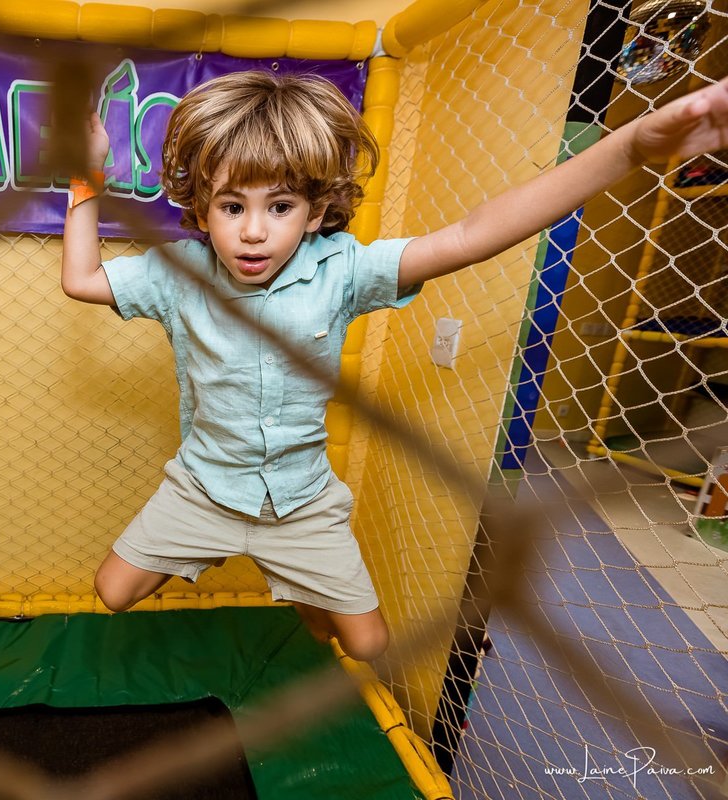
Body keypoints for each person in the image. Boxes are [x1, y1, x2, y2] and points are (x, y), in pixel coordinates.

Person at [60, 70, 728, 661]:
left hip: (300, 502)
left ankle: (296, 580)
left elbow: (471, 235)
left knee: (364, 643)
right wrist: (85, 177)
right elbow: (82, 279)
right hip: (203, 489)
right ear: (202, 211)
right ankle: (275, 568)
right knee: (113, 592)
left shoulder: (344, 271)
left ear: (317, 210)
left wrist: (632, 146)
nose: (254, 231)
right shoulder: (178, 275)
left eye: (281, 207)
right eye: (233, 207)